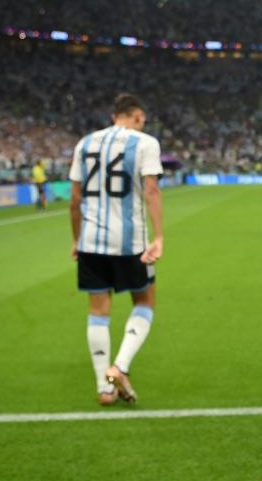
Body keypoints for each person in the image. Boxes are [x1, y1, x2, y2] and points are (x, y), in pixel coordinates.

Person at [68, 93, 164, 406]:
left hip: (91, 241)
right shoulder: (145, 143)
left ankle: (103, 388)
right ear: (136, 116)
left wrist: (76, 239)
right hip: (130, 243)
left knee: (98, 312)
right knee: (146, 300)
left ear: (114, 116)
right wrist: (159, 236)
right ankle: (120, 367)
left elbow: (74, 199)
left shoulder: (84, 143)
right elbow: (151, 189)